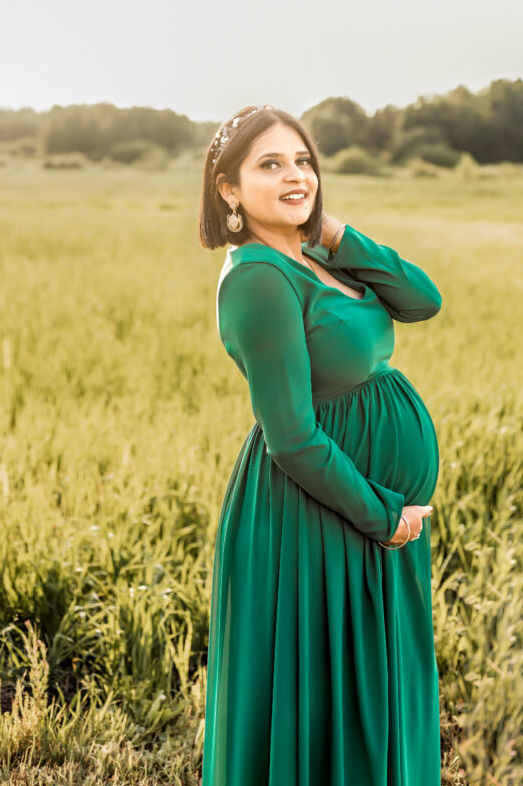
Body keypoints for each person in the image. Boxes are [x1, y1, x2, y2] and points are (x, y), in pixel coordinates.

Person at [197, 104, 443, 786]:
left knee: (368, 687)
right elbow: (294, 439)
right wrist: (383, 517)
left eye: (303, 161)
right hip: (317, 516)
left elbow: (421, 300)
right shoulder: (257, 280)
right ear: (228, 188)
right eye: (269, 165)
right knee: (324, 702)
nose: (294, 175)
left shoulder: (309, 256)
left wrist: (331, 230)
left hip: (361, 511)